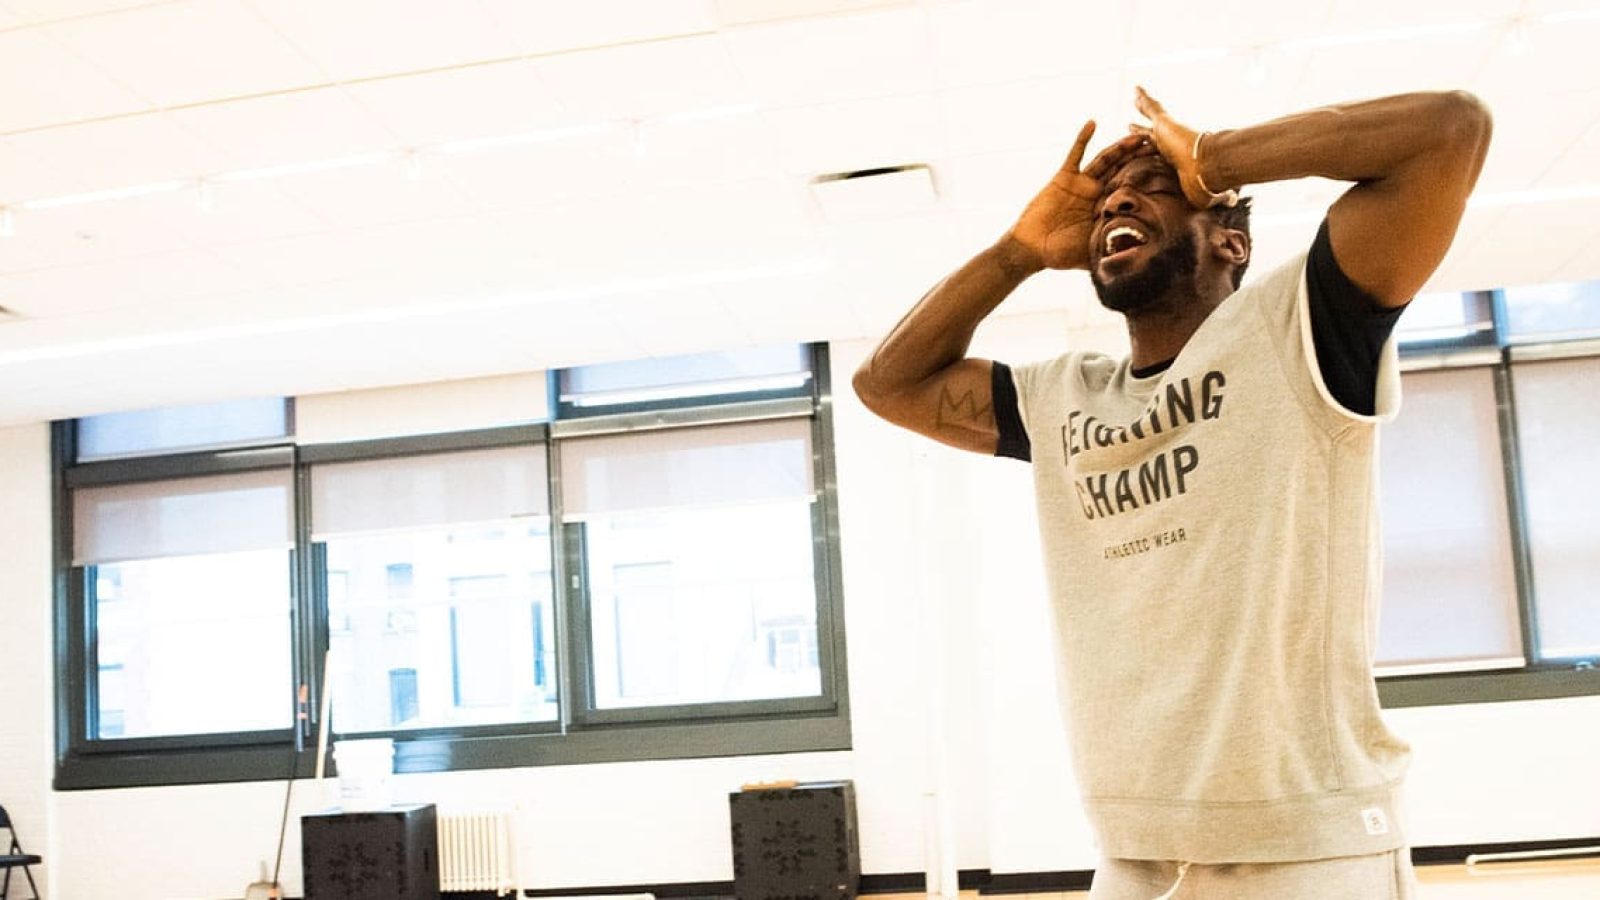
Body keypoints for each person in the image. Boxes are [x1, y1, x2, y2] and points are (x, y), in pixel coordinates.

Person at [853, 87, 1492, 899]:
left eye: (1154, 189)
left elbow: (1448, 131)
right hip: (1134, 846)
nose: (1117, 198)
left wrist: (1213, 158)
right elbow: (886, 384)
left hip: (1305, 842)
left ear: (1229, 242)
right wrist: (1017, 250)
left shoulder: (1297, 329)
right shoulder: (1063, 400)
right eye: (1110, 201)